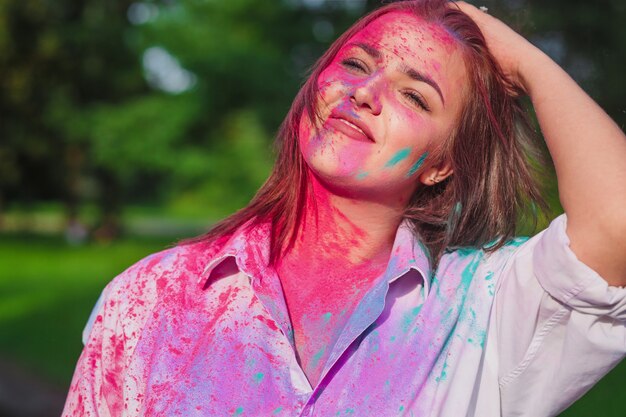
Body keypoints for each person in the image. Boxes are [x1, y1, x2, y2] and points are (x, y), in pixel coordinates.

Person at [63, 1, 626, 416]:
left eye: (414, 95)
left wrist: (520, 58)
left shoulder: (486, 308)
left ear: (441, 165)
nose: (366, 91)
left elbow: (616, 221)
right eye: (357, 64)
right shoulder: (150, 298)